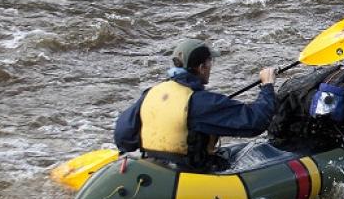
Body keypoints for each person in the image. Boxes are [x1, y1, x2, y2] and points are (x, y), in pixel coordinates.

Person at [114, 39, 277, 172]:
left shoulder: (151, 93)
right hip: (189, 175)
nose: (210, 67)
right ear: (201, 67)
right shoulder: (201, 102)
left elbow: (123, 138)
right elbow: (256, 122)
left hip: (153, 170)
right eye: (209, 62)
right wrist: (267, 86)